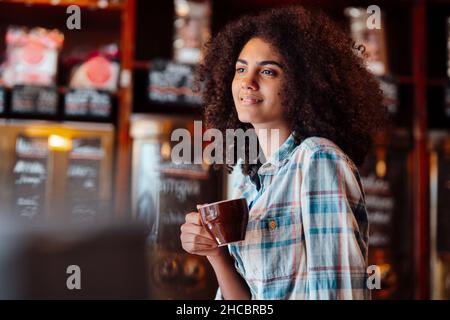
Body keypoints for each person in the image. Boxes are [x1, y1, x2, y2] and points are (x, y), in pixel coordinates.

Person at [180, 6, 386, 300]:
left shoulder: (317, 159)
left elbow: (338, 294)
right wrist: (214, 252)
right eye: (240, 69)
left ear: (303, 85)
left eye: (267, 71)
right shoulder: (249, 180)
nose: (247, 82)